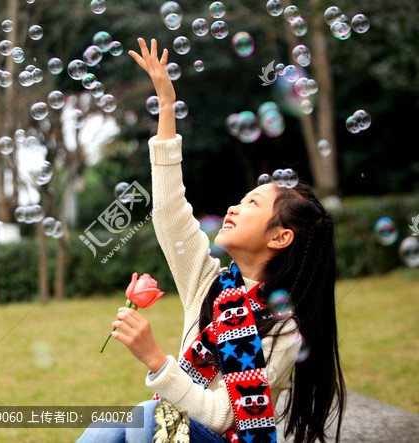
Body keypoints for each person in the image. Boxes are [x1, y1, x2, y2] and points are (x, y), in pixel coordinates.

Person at [77, 38, 345, 443]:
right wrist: (166, 107)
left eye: (251, 203)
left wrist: (155, 359)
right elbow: (169, 212)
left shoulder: (282, 329)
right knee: (116, 425)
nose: (234, 208)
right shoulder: (210, 285)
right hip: (174, 428)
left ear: (280, 237)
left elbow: (222, 416)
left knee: (149, 416)